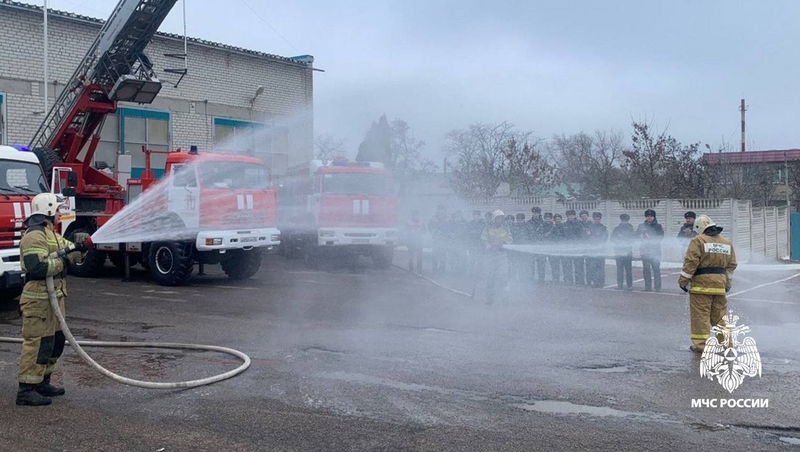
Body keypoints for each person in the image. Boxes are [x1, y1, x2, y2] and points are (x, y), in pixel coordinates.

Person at [16, 193, 92, 406]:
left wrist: (82, 248)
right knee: (38, 343)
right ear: (48, 209)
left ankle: (42, 382)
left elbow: (71, 253)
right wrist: (64, 261)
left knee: (55, 342)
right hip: (38, 299)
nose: (60, 213)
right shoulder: (34, 236)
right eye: (58, 209)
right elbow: (37, 267)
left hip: (54, 298)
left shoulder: (52, 234)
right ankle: (26, 390)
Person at [678, 215, 738, 353]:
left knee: (701, 317)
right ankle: (726, 344)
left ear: (699, 228)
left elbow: (691, 262)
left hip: (701, 286)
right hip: (720, 286)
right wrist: (727, 283)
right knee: (720, 317)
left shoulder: (698, 240)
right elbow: (731, 265)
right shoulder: (726, 242)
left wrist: (683, 281)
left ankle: (702, 346)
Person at [481, 210, 513, 305]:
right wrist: (488, 245)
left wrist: (503, 244)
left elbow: (510, 239)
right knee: (490, 277)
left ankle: (506, 298)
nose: (500, 220)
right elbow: (483, 238)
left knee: (503, 277)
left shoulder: (506, 228)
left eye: (501, 218)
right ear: (494, 219)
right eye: (498, 218)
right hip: (490, 255)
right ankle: (489, 298)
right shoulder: (488, 228)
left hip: (502, 255)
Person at [636, 209, 664, 292]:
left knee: (656, 269)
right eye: (647, 216)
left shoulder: (658, 226)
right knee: (646, 269)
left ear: (654, 217)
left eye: (651, 216)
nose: (649, 218)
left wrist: (651, 237)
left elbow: (661, 237)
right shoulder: (641, 226)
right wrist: (641, 236)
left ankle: (657, 287)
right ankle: (647, 287)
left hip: (655, 251)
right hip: (644, 251)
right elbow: (636, 236)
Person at [611, 214, 635, 290]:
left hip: (628, 252)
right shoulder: (616, 229)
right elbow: (612, 239)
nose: (624, 222)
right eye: (623, 220)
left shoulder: (631, 229)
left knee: (628, 270)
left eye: (626, 220)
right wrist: (617, 239)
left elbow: (633, 239)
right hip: (619, 252)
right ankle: (620, 285)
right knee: (619, 270)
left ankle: (629, 285)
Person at [586, 212, 608, 288]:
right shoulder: (589, 227)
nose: (597, 220)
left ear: (600, 219)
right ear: (593, 219)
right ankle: (595, 282)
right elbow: (588, 238)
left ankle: (601, 282)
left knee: (601, 268)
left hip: (601, 251)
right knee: (593, 267)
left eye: (598, 219)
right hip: (592, 251)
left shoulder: (604, 228)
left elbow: (605, 238)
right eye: (595, 219)